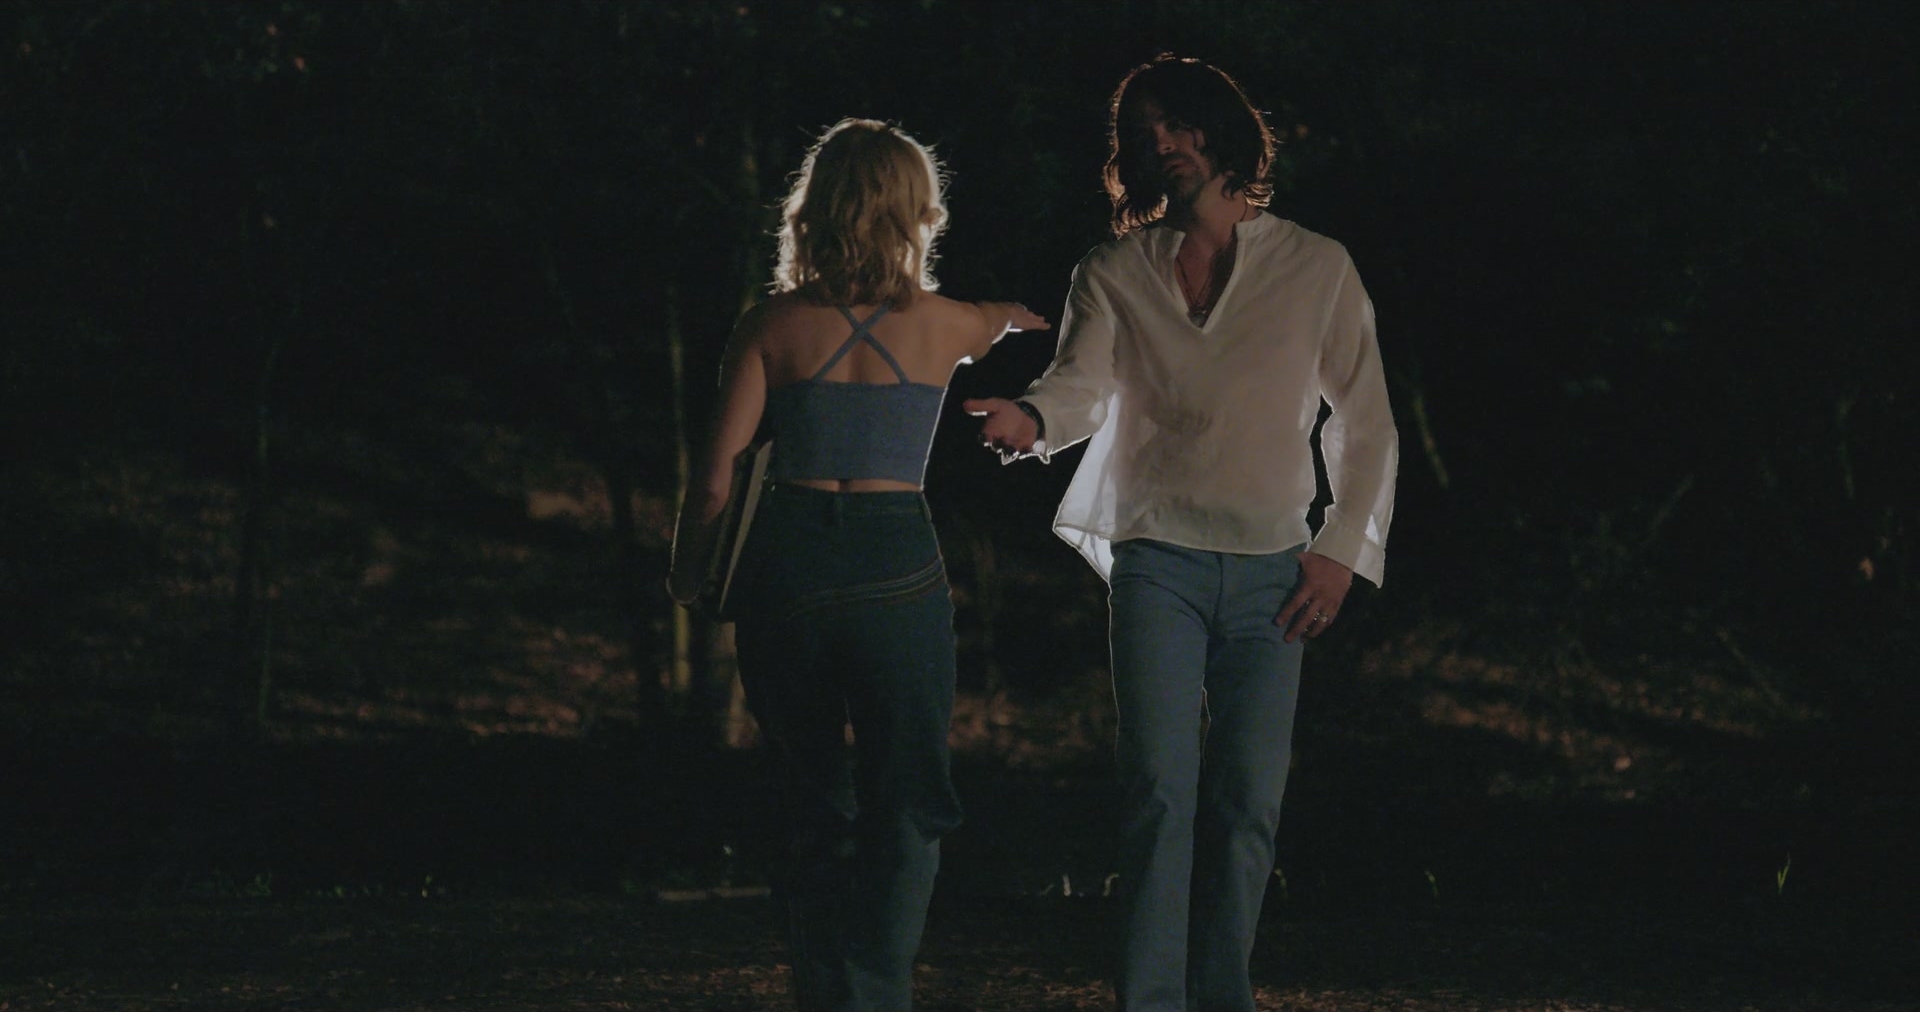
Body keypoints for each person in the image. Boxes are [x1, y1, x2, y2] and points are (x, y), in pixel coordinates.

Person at [964, 57, 1398, 1011]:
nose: (1162, 142)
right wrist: (1032, 421)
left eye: (1178, 122)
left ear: (1222, 130)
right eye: (1144, 130)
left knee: (1248, 804)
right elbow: (1080, 385)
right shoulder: (1113, 271)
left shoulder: (1315, 266)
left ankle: (1221, 995)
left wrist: (1338, 552)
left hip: (1275, 571)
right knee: (1159, 790)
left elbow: (1365, 420)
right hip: (1156, 556)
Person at [667, 118, 1048, 1011]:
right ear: (916, 213)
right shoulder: (946, 324)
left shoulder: (769, 325)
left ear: (817, 210)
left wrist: (689, 574)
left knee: (809, 797)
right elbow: (997, 322)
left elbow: (715, 480)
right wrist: (1017, 318)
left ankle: (825, 991)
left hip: (789, 563)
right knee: (908, 798)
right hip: (894, 565)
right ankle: (876, 994)